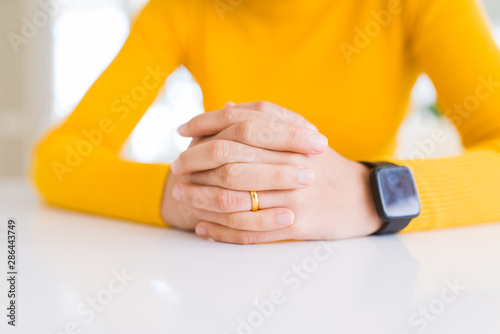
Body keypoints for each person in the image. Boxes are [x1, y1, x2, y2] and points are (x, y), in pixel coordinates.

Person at [33, 0, 500, 244]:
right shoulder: (181, 9)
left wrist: (370, 193)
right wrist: (184, 198)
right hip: (225, 269)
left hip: (369, 272)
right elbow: (59, 158)